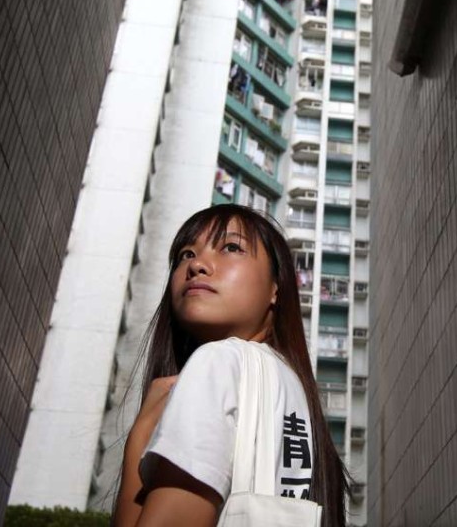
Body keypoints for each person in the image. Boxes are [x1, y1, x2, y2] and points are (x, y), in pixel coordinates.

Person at [113, 204, 350, 526]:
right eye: (185, 254)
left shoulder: (217, 361)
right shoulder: (292, 388)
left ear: (275, 288)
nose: (196, 264)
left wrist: (138, 441)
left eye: (231, 247)